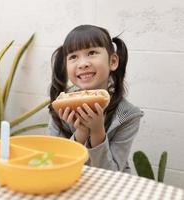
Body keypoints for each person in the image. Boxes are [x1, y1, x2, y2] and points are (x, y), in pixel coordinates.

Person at [48, 24, 144, 173]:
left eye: (92, 52)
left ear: (112, 61)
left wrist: (97, 131)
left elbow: (112, 174)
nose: (83, 63)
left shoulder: (128, 115)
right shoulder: (61, 107)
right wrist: (81, 132)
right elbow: (53, 163)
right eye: (73, 57)